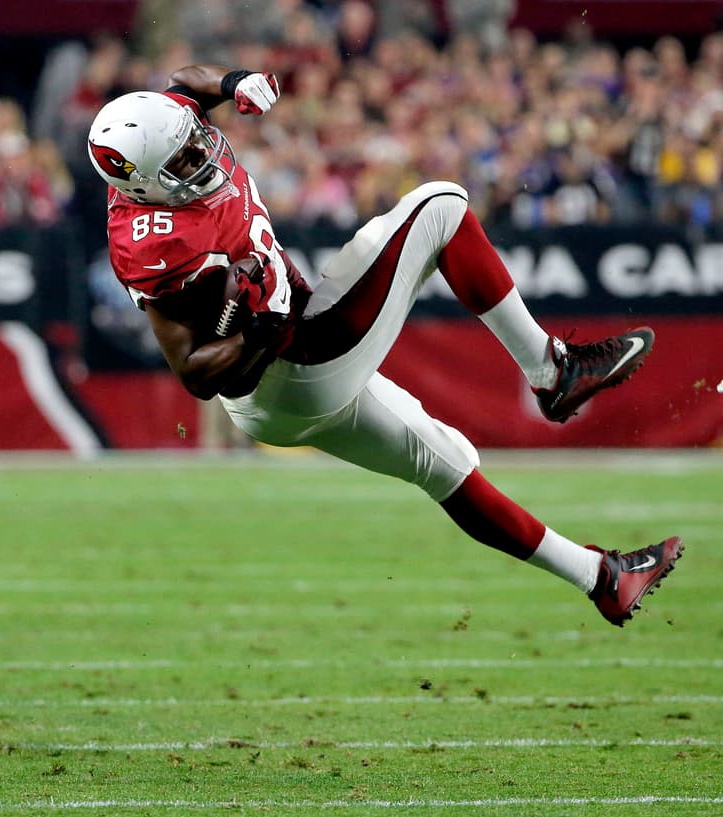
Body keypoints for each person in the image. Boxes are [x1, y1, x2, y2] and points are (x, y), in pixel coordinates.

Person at [87, 64, 682, 627]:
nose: (203, 154)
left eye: (196, 139)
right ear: (140, 185)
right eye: (185, 157)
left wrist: (233, 81)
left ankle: (602, 579)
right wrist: (253, 328)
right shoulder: (153, 242)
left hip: (283, 385)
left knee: (446, 464)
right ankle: (554, 371)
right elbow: (193, 373)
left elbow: (182, 82)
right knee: (441, 205)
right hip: (287, 363)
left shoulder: (163, 134)